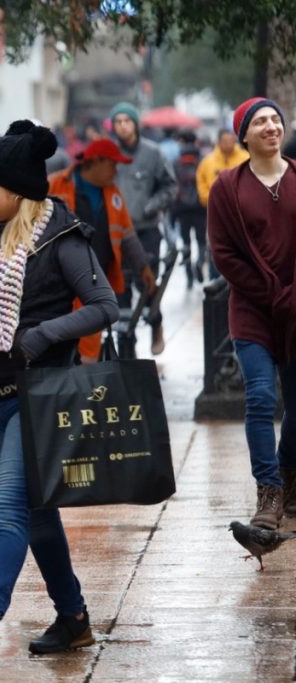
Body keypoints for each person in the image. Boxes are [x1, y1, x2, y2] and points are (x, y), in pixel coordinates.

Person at [0, 120, 119, 668]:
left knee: (9, 503)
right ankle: (74, 618)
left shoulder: (60, 236)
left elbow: (103, 305)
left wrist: (40, 335)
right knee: (37, 514)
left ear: (18, 190)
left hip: (41, 396)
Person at [207, 97, 296, 532]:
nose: (270, 127)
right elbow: (223, 254)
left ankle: (289, 477)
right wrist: (269, 293)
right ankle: (269, 490)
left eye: (275, 119)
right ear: (244, 135)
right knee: (260, 397)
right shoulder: (227, 187)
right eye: (259, 122)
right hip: (252, 310)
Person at [48, 138, 156, 362]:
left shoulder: (113, 194)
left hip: (95, 284)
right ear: (95, 161)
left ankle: (87, 389)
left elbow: (127, 235)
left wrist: (143, 267)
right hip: (59, 285)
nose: (116, 171)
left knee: (89, 346)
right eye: (112, 165)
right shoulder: (56, 184)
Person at [109, 101, 178, 355]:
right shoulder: (108, 155)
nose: (123, 126)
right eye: (118, 122)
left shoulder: (153, 153)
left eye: (127, 121)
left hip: (146, 230)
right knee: (120, 289)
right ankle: (127, 348)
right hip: (115, 233)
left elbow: (170, 187)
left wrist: (151, 206)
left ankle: (156, 324)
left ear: (135, 124)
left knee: (147, 283)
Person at [196, 128, 247, 281]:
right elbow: (202, 187)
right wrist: (215, 201)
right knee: (216, 252)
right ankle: (215, 287)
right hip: (216, 216)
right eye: (225, 141)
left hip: (243, 217)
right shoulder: (207, 162)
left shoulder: (246, 158)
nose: (228, 144)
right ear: (218, 142)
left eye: (231, 140)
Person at [171, 130, 207, 288]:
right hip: (200, 206)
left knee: (185, 242)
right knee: (201, 240)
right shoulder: (202, 160)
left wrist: (171, 212)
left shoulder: (176, 162)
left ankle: (189, 277)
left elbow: (172, 185)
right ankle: (199, 262)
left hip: (181, 208)